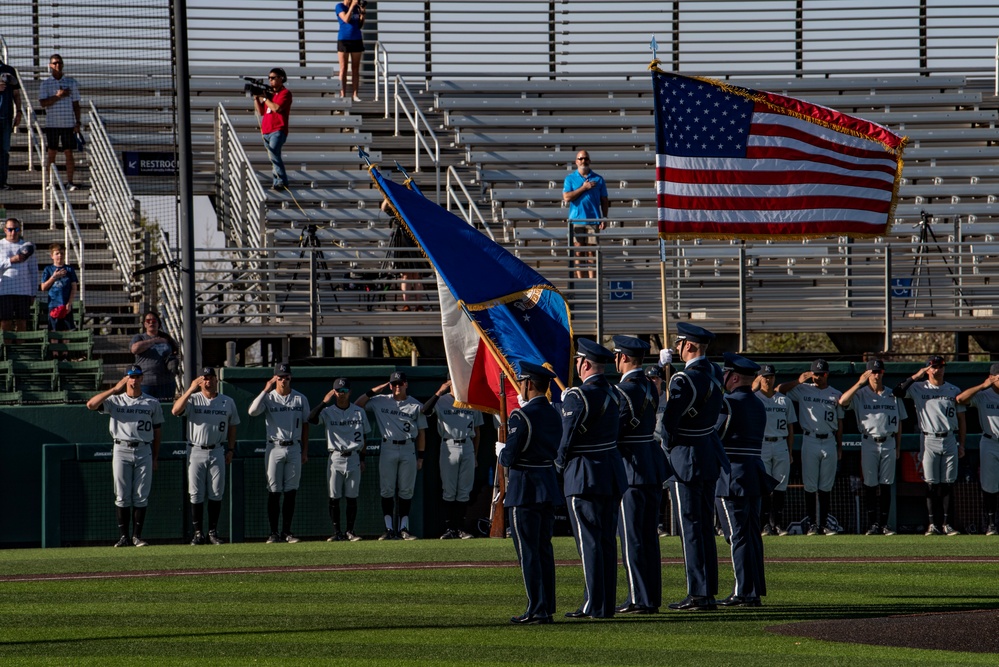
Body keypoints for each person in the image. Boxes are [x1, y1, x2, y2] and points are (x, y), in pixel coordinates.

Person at [659, 322, 728, 612]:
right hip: (707, 453)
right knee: (703, 527)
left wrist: (667, 446)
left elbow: (669, 423)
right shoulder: (715, 373)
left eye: (679, 344)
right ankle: (707, 589)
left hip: (686, 456)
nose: (676, 348)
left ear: (688, 346)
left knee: (691, 528)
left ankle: (698, 593)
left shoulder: (683, 380)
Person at [557, 338, 626, 620]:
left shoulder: (577, 396)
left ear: (585, 364)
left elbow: (566, 441)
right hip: (610, 472)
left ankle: (593, 605)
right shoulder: (614, 394)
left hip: (584, 475)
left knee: (589, 542)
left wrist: (558, 464)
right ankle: (605, 603)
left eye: (577, 362)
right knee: (606, 541)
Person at [497, 362, 563, 625]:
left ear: (528, 384)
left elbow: (509, 457)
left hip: (524, 488)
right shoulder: (553, 414)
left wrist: (501, 450)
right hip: (547, 484)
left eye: (521, 383)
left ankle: (536, 607)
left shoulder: (520, 417)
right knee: (543, 549)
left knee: (528, 552)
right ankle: (545, 606)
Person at [612, 336, 668, 615]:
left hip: (630, 468)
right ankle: (651, 596)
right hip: (650, 465)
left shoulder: (622, 391)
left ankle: (639, 598)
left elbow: (614, 431)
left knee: (633, 537)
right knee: (648, 537)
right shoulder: (648, 385)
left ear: (622, 358)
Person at [86, 365, 164, 547]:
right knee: (121, 494)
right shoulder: (115, 400)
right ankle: (123, 537)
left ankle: (137, 536)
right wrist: (114, 388)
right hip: (121, 448)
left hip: (144, 448)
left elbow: (158, 431)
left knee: (141, 495)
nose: (134, 380)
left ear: (142, 379)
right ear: (126, 379)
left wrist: (155, 457)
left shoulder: (152, 402)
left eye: (137, 376)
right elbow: (91, 405)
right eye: (131, 376)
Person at [715, 353, 769, 608]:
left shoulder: (727, 403)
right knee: (750, 534)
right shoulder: (758, 403)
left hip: (732, 475)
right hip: (753, 473)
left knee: (736, 536)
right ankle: (753, 589)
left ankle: (743, 591)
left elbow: (714, 434)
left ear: (734, 377)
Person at [893, 355, 966, 536]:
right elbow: (897, 392)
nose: (937, 370)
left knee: (948, 483)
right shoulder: (918, 387)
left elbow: (961, 418)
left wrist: (962, 443)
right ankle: (933, 524)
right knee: (931, 483)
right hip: (928, 438)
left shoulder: (953, 389)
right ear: (928, 369)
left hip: (949, 437)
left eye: (940, 366)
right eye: (934, 367)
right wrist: (916, 376)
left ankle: (947, 524)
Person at [839, 359, 907, 536]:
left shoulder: (892, 394)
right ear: (867, 374)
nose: (876, 375)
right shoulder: (860, 394)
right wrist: (859, 382)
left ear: (883, 373)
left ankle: (884, 524)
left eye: (879, 372)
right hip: (869, 441)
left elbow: (899, 422)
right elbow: (842, 401)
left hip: (889, 441)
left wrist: (898, 446)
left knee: (886, 484)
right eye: (873, 372)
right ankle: (872, 525)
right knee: (870, 484)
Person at [356, 371, 427, 540]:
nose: (397, 387)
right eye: (394, 384)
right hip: (388, 446)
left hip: (408, 447)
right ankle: (388, 528)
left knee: (406, 490)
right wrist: (374, 391)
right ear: (389, 385)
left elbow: (422, 433)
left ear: (406, 384)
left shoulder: (416, 405)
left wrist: (421, 457)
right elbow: (358, 405)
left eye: (400, 383)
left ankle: (403, 528)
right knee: (387, 489)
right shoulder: (381, 400)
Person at [172, 366, 239, 545]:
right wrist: (190, 389)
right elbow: (175, 411)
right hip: (195, 450)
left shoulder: (227, 401)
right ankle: (198, 533)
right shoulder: (193, 399)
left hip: (217, 449)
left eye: (210, 378)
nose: (208, 381)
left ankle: (212, 532)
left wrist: (231, 449)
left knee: (216, 492)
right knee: (196, 494)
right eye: (204, 378)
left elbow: (233, 426)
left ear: (216, 380)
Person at [777, 359, 844, 535]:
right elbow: (779, 390)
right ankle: (812, 524)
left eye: (821, 374)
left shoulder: (835, 393)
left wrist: (839, 447)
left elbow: (840, 422)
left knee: (826, 486)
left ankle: (823, 523)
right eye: (815, 374)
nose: (817, 377)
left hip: (829, 439)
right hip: (810, 438)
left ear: (826, 374)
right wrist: (799, 380)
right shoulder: (803, 389)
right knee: (810, 484)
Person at [248, 362, 310, 543]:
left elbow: (306, 425)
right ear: (275, 378)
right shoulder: (269, 397)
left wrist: (304, 450)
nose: (284, 380)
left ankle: (287, 532)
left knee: (291, 491)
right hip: (274, 447)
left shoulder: (300, 399)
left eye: (286, 377)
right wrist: (265, 389)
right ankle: (274, 532)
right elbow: (252, 411)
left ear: (291, 378)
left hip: (294, 447)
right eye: (280, 377)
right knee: (274, 490)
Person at [307, 377, 371, 542]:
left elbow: (364, 437)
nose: (341, 394)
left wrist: (363, 458)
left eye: (344, 391)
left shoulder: (359, 411)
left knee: (352, 496)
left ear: (349, 392)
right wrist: (323, 402)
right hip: (335, 457)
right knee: (334, 496)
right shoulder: (328, 411)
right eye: (338, 391)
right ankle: (337, 532)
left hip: (354, 456)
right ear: (334, 392)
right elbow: (311, 418)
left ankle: (350, 531)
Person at [423, 378, 483, 539]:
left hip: (467, 445)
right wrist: (439, 391)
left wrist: (475, 455)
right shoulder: (442, 400)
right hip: (449, 444)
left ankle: (460, 528)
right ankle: (450, 528)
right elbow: (424, 410)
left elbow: (477, 431)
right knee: (449, 490)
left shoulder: (471, 400)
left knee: (464, 490)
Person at [753, 364, 796, 536]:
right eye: (765, 376)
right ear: (760, 378)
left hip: (780, 443)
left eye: (771, 376)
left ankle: (777, 523)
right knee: (764, 486)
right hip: (762, 444)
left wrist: (790, 451)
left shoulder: (784, 400)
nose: (768, 379)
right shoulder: (755, 398)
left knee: (780, 485)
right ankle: (764, 524)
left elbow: (791, 428)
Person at [956, 364, 999, 536]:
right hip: (990, 441)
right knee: (989, 485)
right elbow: (960, 399)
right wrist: (983, 385)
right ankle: (991, 524)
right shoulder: (983, 395)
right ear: (992, 377)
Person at [563, 150, 609, 280]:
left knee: (591, 252)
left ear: (589, 160)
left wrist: (604, 217)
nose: (583, 161)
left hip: (593, 220)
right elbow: (567, 197)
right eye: (581, 158)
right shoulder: (570, 178)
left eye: (586, 158)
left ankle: (591, 281)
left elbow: (604, 200)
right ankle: (580, 280)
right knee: (578, 252)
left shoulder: (598, 179)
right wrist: (584, 188)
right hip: (576, 220)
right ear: (576, 161)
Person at [38, 54, 81, 191]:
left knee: (69, 152)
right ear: (50, 65)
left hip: (68, 124)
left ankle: (70, 181)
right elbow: (43, 103)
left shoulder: (71, 82)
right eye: (55, 63)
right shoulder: (45, 84)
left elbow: (76, 104)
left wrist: (78, 122)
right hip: (52, 124)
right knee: (52, 152)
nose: (58, 65)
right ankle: (51, 182)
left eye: (60, 63)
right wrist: (58, 96)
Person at [254, 67, 292, 191]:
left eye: (273, 78)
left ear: (281, 78)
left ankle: (282, 180)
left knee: (274, 153)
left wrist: (265, 98)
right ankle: (276, 182)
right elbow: (260, 112)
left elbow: (276, 108)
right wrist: (256, 98)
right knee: (273, 156)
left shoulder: (285, 93)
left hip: (278, 129)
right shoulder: (269, 95)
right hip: (266, 130)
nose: (270, 80)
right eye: (269, 78)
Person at [129, 310, 179, 400]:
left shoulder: (166, 338)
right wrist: (154, 340)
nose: (151, 322)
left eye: (154, 320)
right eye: (148, 321)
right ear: (145, 324)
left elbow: (176, 351)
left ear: (158, 323)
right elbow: (134, 349)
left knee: (165, 409)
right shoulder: (140, 337)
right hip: (146, 383)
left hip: (166, 382)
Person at [0, 217, 39, 332]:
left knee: (22, 322)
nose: (13, 232)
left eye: (16, 229)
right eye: (10, 229)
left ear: (20, 230)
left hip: (23, 291)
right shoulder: (0, 245)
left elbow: (33, 271)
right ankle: (6, 348)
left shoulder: (26, 247)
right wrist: (11, 260)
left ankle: (20, 348)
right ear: (5, 230)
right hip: (4, 290)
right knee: (5, 321)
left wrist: (33, 293)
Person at [40, 243, 78, 332]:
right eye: (57, 253)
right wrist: (54, 277)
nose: (60, 255)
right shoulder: (48, 269)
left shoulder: (69, 269)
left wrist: (69, 303)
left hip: (66, 305)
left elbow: (74, 287)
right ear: (52, 256)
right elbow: (43, 287)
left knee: (67, 332)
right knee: (54, 332)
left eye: (62, 253)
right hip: (53, 305)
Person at [335, 0, 367, 101]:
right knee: (343, 68)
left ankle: (355, 94)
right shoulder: (340, 6)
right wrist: (352, 6)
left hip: (356, 39)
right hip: (344, 39)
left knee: (355, 69)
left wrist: (362, 12)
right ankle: (342, 94)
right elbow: (346, 19)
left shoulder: (357, 7)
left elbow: (360, 25)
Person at [0, 55, 23, 191]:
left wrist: (19, 111)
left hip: (6, 117)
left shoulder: (9, 70)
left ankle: (2, 182)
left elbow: (16, 94)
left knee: (4, 150)